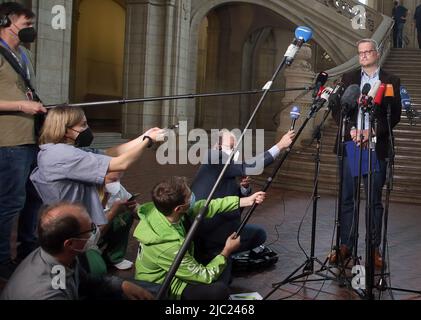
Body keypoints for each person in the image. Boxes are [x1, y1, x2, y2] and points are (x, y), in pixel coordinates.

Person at [133, 176, 266, 300]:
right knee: (219, 290)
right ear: (179, 208)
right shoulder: (169, 246)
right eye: (189, 197)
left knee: (221, 268)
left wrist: (244, 201)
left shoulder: (162, 210)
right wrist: (227, 251)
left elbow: (205, 207)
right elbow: (204, 276)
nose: (192, 197)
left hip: (178, 265)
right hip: (164, 285)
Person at [330, 39, 401, 268]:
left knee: (373, 201)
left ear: (377, 54)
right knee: (347, 198)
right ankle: (345, 246)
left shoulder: (390, 81)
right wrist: (351, 130)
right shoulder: (348, 78)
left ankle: (373, 249)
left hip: (374, 147)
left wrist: (370, 131)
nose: (363, 56)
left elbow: (395, 115)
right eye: (360, 52)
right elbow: (337, 110)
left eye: (367, 51)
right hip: (350, 145)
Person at [30, 106, 161, 228]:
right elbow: (121, 163)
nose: (87, 128)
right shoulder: (63, 155)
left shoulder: (61, 149)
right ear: (65, 130)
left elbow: (110, 153)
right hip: (69, 223)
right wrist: (148, 141)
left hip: (73, 217)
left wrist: (144, 136)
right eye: (83, 125)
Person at [0, 202, 156, 300]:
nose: (94, 233)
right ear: (70, 243)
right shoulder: (46, 293)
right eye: (90, 229)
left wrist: (121, 285)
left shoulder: (59, 258)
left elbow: (84, 281)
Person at [190, 129, 294, 264]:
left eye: (235, 147)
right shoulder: (214, 156)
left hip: (221, 223)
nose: (233, 151)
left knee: (257, 233)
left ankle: (217, 250)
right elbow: (250, 166)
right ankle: (213, 252)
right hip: (208, 227)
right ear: (218, 146)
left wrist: (244, 190)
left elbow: (235, 207)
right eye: (230, 147)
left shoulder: (226, 169)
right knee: (259, 234)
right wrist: (279, 146)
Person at [0, 2, 47, 280]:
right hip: (8, 141)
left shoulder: (24, 55)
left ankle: (29, 248)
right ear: (6, 21)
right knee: (9, 202)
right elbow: (19, 102)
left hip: (31, 138)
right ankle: (2, 260)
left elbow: (28, 93)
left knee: (34, 197)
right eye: (26, 24)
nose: (31, 30)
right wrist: (20, 106)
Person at [98, 171, 137, 270]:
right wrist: (113, 212)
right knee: (96, 268)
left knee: (127, 214)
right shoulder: (87, 193)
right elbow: (94, 232)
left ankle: (114, 257)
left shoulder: (118, 189)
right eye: (113, 180)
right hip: (90, 236)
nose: (117, 184)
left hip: (105, 227)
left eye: (119, 179)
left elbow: (135, 207)